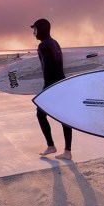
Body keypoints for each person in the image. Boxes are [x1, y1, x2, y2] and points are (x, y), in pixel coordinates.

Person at [31, 18, 73, 160]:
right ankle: (67, 151)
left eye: (35, 29)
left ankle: (51, 146)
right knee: (64, 117)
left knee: (40, 114)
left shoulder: (43, 46)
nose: (33, 33)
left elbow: (48, 68)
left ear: (41, 29)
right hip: (62, 83)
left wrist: (46, 89)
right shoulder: (55, 43)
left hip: (52, 86)